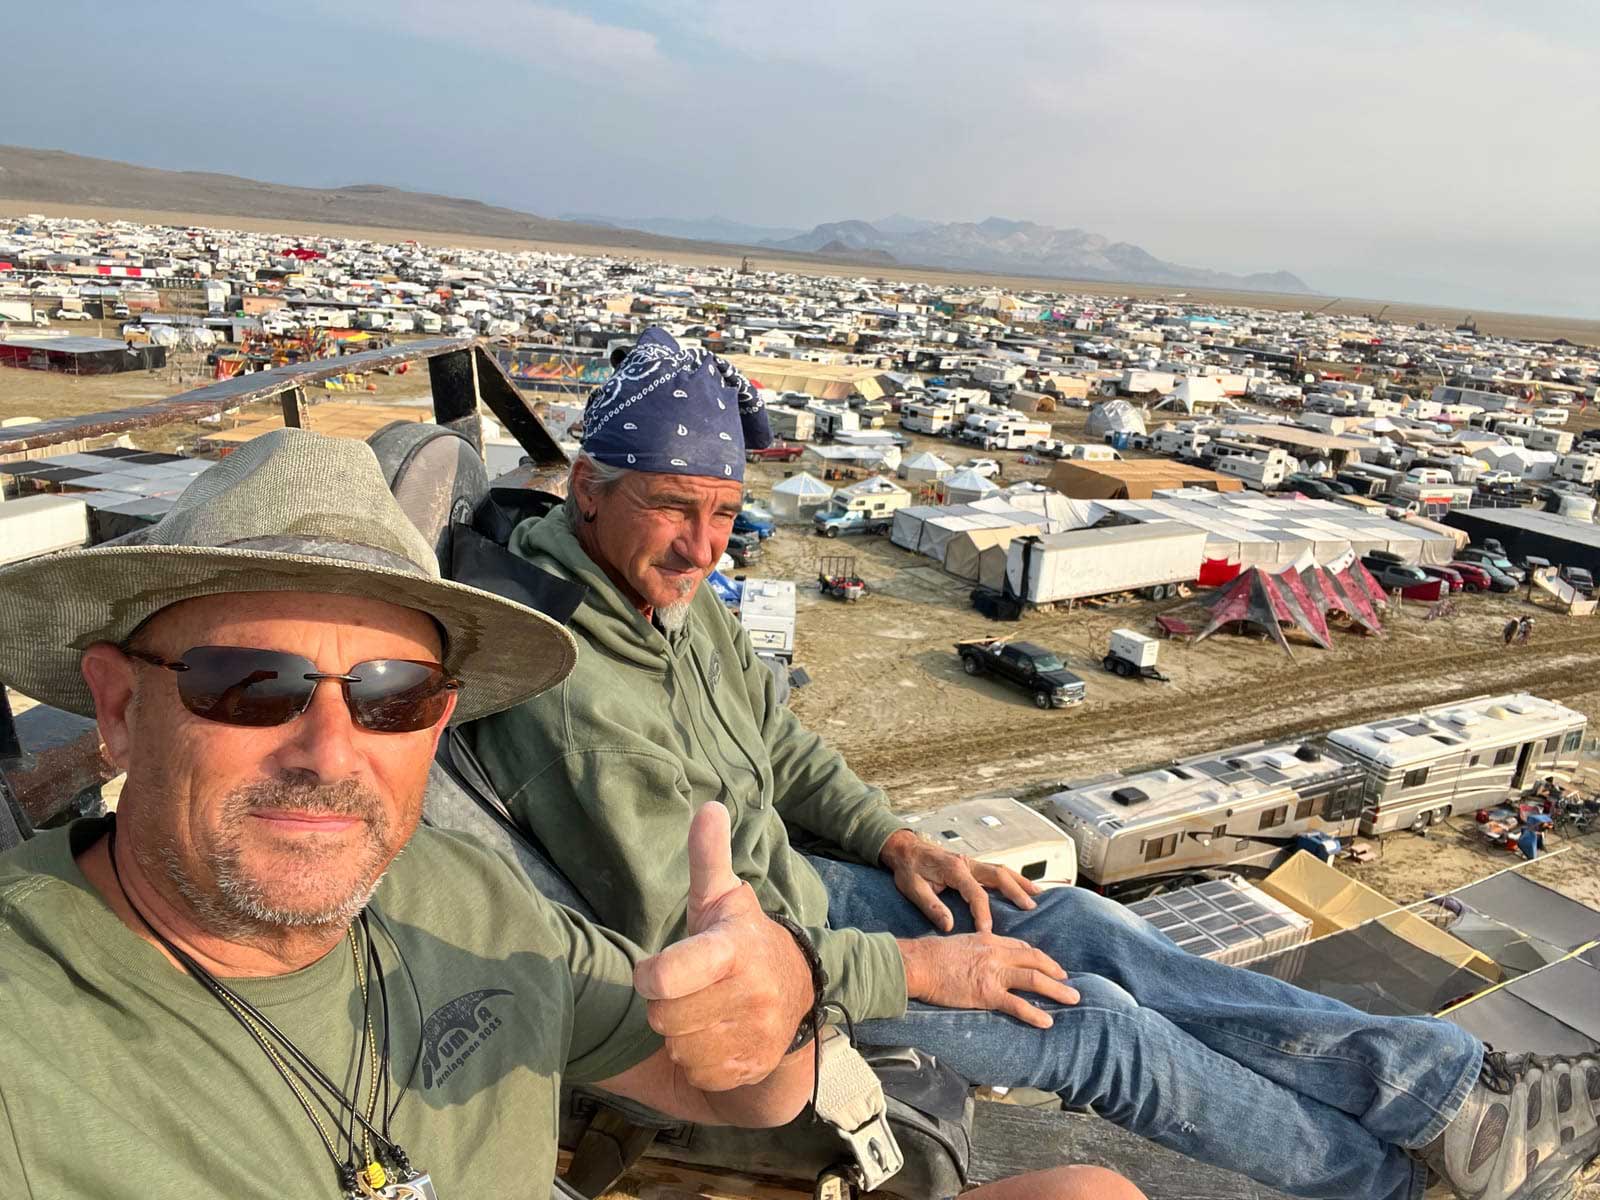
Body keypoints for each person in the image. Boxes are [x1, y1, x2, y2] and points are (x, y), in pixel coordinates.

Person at [464, 328, 1600, 1200]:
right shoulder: (576, 698)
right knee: (1094, 1023)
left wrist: (893, 838)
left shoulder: (657, 598)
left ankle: (1440, 1095)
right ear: (587, 489)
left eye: (723, 513)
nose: (704, 545)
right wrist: (917, 973)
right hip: (770, 975)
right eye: (673, 509)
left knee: (1077, 927)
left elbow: (781, 744)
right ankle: (1391, 1181)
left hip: (811, 894)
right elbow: (695, 948)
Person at [0, 428, 1142, 1200]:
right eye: (249, 687)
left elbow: (726, 1079)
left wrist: (776, 1010)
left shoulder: (465, 900)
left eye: (394, 697)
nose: (328, 752)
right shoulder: (37, 1038)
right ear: (116, 707)